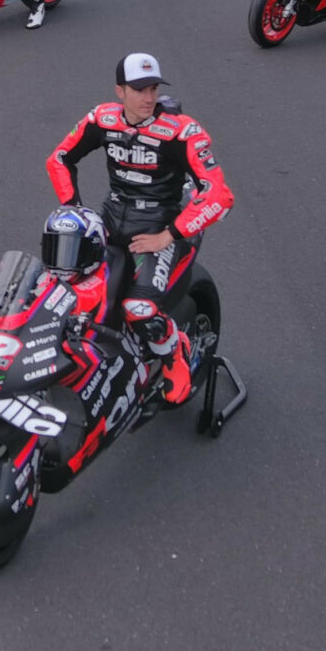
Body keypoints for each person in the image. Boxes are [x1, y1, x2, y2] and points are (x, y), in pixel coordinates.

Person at [46, 53, 235, 405]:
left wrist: (169, 235)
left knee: (139, 307)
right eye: (138, 89)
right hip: (112, 217)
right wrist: (73, 208)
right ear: (120, 91)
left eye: (152, 88)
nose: (148, 97)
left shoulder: (183, 131)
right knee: (62, 285)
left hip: (162, 225)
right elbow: (59, 158)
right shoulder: (101, 118)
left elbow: (220, 195)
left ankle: (173, 353)